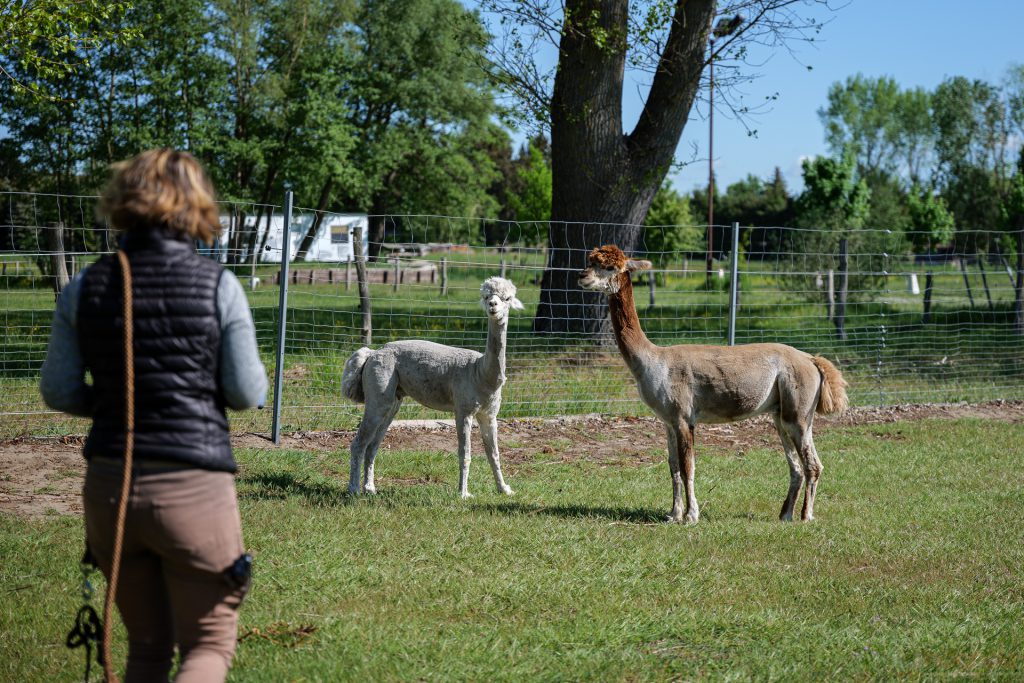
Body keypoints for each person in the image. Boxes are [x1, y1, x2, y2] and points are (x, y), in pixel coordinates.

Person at [40, 149, 268, 682]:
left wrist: (117, 402)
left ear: (123, 201)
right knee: (207, 647)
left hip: (110, 486)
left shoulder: (84, 286)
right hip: (193, 485)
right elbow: (245, 391)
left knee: (144, 648)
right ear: (197, 205)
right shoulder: (219, 285)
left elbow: (57, 391)